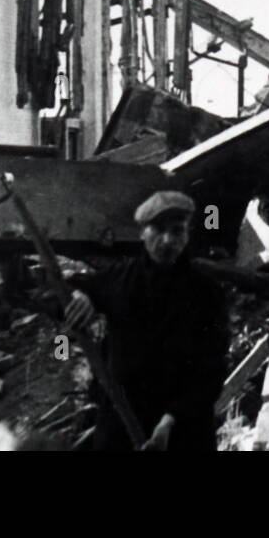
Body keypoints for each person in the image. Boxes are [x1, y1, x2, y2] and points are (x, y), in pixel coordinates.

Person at [62, 190, 229, 451]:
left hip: (183, 429)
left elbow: (212, 372)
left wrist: (170, 422)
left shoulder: (206, 293)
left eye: (176, 231)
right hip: (121, 422)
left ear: (187, 234)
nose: (166, 240)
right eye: (158, 229)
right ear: (142, 233)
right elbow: (62, 289)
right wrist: (81, 295)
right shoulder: (119, 279)